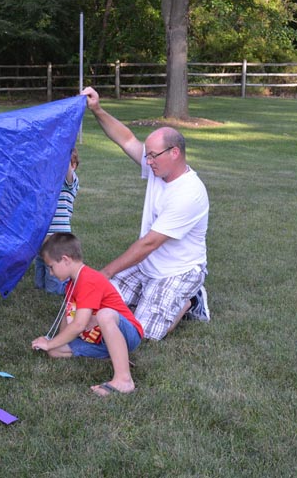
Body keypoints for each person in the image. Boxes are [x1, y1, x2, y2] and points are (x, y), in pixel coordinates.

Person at [81, 87, 210, 341]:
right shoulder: (158, 168)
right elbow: (126, 139)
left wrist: (105, 272)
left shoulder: (189, 193)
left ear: (174, 153)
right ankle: (152, 297)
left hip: (177, 271)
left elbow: (149, 243)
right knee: (99, 302)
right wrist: (97, 109)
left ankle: (190, 301)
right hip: (148, 265)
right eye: (147, 155)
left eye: (152, 156)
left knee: (142, 333)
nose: (147, 161)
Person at [31, 233, 142, 396]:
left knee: (104, 315)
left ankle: (124, 380)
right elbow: (68, 315)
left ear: (66, 260)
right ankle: (116, 356)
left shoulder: (88, 279)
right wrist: (53, 343)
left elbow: (79, 325)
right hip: (100, 339)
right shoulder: (72, 283)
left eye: (51, 267)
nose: (51, 273)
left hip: (128, 333)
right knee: (55, 351)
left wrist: (49, 342)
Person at [34, 148, 80, 294]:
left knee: (53, 284)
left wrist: (63, 148)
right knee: (39, 278)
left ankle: (66, 287)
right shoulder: (48, 181)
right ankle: (43, 288)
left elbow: (66, 170)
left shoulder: (70, 181)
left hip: (58, 237)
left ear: (74, 166)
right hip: (41, 237)